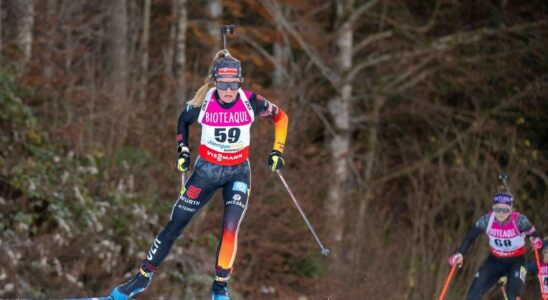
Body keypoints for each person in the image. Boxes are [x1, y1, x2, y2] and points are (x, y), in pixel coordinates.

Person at [109, 49, 289, 300]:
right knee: (176, 223)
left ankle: (219, 287)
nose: (228, 91)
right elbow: (183, 121)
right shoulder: (202, 104)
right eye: (224, 84)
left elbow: (281, 118)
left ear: (240, 82)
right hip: (206, 172)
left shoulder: (252, 101)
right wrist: (183, 151)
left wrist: (277, 151)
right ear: (215, 82)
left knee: (230, 227)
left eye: (234, 84)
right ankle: (141, 278)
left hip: (237, 173)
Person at [447, 185, 543, 300]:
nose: (501, 213)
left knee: (512, 296)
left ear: (511, 209)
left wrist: (535, 241)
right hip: (494, 261)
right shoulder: (487, 220)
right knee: (472, 296)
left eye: (505, 210)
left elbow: (534, 236)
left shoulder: (519, 220)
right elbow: (470, 237)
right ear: (493, 207)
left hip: (516, 262)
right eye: (497, 209)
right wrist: (460, 253)